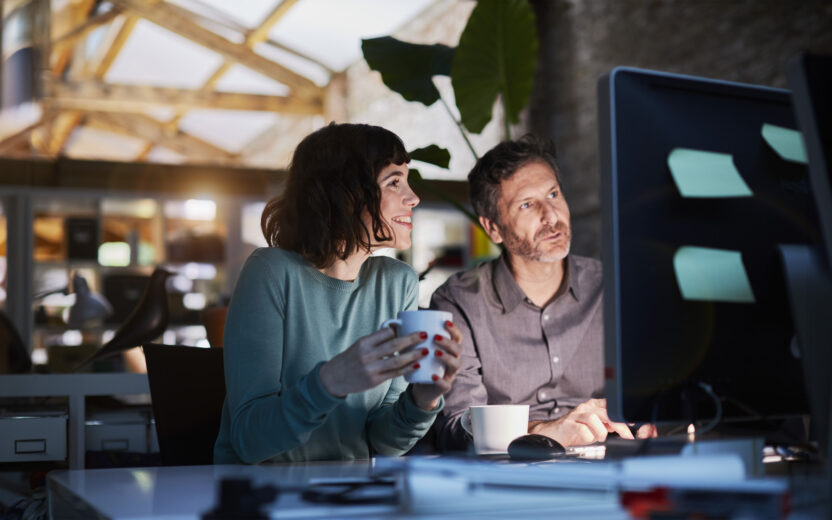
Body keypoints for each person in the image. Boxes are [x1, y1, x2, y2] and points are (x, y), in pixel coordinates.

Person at [214, 123, 463, 464]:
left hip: (349, 495)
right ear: (346, 194)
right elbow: (249, 440)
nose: (413, 197)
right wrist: (331, 381)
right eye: (394, 182)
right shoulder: (272, 272)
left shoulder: (397, 282)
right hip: (262, 496)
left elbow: (385, 442)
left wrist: (424, 399)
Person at [431, 135, 654, 451]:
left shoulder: (614, 286)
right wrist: (547, 431)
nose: (551, 217)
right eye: (527, 204)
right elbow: (455, 428)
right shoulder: (458, 303)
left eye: (553, 194)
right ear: (493, 227)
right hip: (509, 475)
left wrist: (653, 418)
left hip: (615, 463)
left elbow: (656, 393)